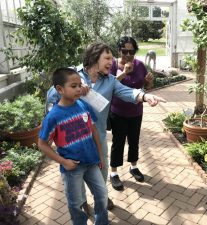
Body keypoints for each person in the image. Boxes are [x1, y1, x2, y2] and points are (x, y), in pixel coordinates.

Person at [46, 43, 166, 210]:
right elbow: (52, 94)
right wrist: (77, 86)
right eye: (107, 58)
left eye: (111, 58)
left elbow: (127, 91)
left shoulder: (110, 81)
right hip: (72, 141)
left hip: (98, 135)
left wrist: (145, 97)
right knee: (75, 173)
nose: (112, 62)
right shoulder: (73, 75)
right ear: (95, 58)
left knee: (101, 169)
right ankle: (82, 202)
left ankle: (101, 197)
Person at [38, 68, 108, 225]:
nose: (79, 89)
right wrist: (63, 162)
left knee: (102, 195)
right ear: (60, 89)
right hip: (72, 168)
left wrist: (100, 155)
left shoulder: (84, 106)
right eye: (74, 86)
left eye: (79, 85)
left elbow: (94, 130)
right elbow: (42, 144)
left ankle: (102, 222)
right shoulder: (53, 116)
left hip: (91, 163)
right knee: (75, 204)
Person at [109, 36, 152, 191]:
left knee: (134, 140)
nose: (128, 55)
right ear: (119, 50)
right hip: (118, 112)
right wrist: (124, 73)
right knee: (118, 142)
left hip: (136, 111)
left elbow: (145, 87)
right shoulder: (113, 65)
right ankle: (113, 173)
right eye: (124, 51)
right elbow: (109, 84)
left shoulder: (140, 65)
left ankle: (133, 167)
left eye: (131, 51)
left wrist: (148, 81)